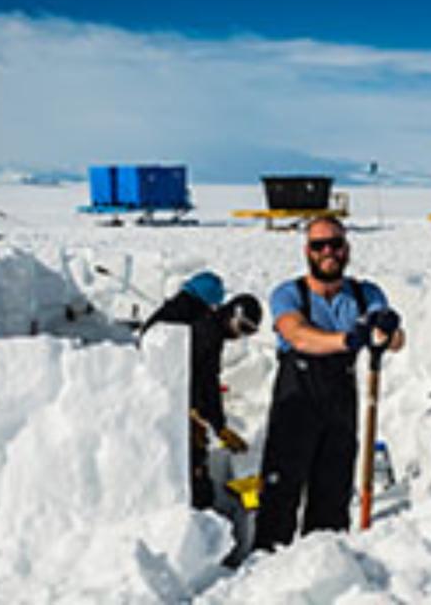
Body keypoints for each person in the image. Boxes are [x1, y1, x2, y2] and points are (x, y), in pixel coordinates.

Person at [252, 216, 404, 551]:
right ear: (307, 251)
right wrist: (349, 340)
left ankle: (324, 570)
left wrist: (386, 331)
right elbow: (297, 335)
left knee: (333, 493)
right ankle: (264, 571)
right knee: (281, 491)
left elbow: (392, 338)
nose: (328, 252)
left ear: (347, 249)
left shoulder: (365, 294)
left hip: (340, 399)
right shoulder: (290, 293)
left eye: (335, 244)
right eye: (319, 245)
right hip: (297, 399)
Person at [141, 271, 262, 509]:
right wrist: (198, 414)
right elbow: (199, 378)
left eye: (248, 332)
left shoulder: (189, 321)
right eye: (242, 327)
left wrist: (219, 425)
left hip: (170, 409)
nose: (239, 336)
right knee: (192, 474)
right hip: (171, 413)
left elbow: (205, 377)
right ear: (231, 312)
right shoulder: (203, 329)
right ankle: (199, 522)